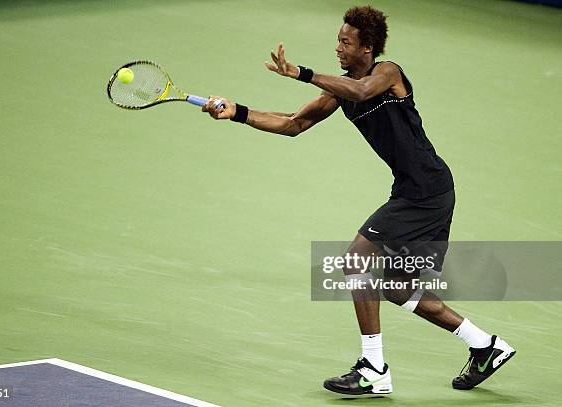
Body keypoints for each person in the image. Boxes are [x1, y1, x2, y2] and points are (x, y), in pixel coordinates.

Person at [201, 5, 515, 397]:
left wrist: (301, 72)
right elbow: (293, 123)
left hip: (426, 193)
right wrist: (237, 113)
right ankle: (485, 347)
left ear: (367, 48)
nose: (338, 48)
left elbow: (364, 90)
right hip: (421, 192)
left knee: (355, 260)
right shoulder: (340, 90)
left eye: (346, 42)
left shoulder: (388, 74)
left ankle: (373, 368)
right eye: (338, 40)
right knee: (399, 288)